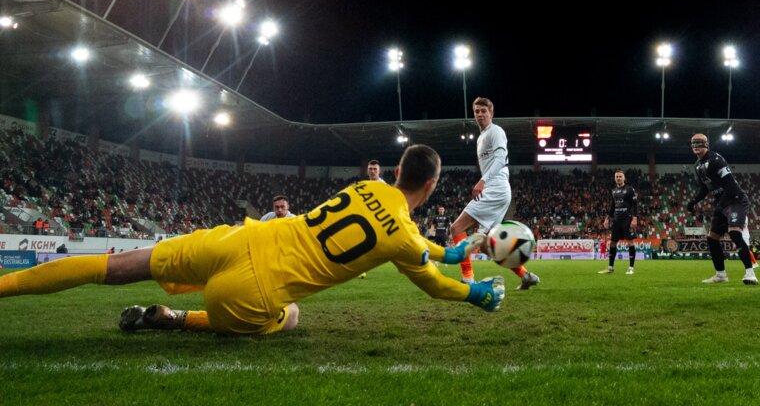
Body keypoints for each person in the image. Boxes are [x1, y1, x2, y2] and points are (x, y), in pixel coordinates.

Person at [0, 145, 505, 335]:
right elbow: (435, 282)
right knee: (293, 318)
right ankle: (174, 319)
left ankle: (4, 286)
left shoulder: (368, 185)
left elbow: (411, 239)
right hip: (253, 292)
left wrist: (448, 250)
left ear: (394, 170)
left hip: (236, 241)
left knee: (109, 266)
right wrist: (476, 291)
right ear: (433, 185)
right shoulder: (404, 239)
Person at [449, 97, 539, 290]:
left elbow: (500, 159)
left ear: (492, 113)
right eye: (476, 111)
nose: (480, 114)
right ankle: (526, 276)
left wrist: (483, 181)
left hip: (495, 187)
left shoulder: (495, 131)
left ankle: (468, 280)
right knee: (486, 246)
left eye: (483, 111)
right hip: (497, 189)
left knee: (457, 228)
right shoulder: (482, 136)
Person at [686, 134, 757, 285]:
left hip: (735, 199)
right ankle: (721, 275)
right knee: (712, 239)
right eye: (693, 143)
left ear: (707, 144)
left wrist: (720, 205)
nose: (696, 146)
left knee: (734, 234)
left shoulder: (716, 160)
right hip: (722, 203)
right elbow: (704, 189)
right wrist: (693, 201)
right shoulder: (697, 165)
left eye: (699, 143)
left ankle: (750, 274)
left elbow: (730, 185)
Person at [599, 170, 638, 275]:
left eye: (620, 176)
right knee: (612, 243)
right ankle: (610, 268)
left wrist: (635, 218)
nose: (618, 178)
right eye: (617, 176)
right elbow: (613, 206)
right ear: (614, 178)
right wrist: (607, 218)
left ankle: (631, 268)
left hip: (627, 219)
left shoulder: (630, 189)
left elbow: (635, 204)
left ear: (624, 178)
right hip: (617, 220)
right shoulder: (614, 191)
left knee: (630, 242)